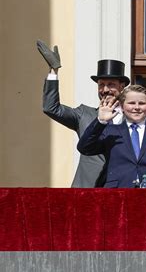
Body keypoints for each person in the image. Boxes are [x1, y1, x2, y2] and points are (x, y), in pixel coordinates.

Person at [37, 40, 129, 187]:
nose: (105, 90)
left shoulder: (136, 121)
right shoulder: (83, 114)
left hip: (121, 191)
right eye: (101, 85)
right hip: (86, 190)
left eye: (110, 84)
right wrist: (54, 71)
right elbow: (51, 108)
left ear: (122, 87)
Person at [77, 85, 146, 188]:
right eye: (131, 103)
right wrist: (101, 121)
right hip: (116, 194)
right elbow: (84, 147)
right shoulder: (110, 131)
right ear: (122, 107)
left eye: (142, 103)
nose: (137, 107)